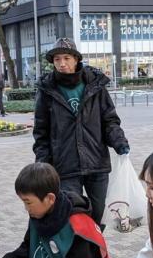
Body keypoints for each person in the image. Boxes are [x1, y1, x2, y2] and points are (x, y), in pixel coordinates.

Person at [33, 38, 129, 226]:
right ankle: (78, 245)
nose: (62, 63)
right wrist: (43, 163)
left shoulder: (95, 85)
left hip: (96, 162)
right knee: (73, 216)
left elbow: (109, 120)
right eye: (57, 59)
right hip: (65, 166)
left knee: (99, 215)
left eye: (66, 58)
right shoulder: (46, 90)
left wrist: (119, 142)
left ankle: (94, 245)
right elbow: (41, 132)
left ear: (76, 59)